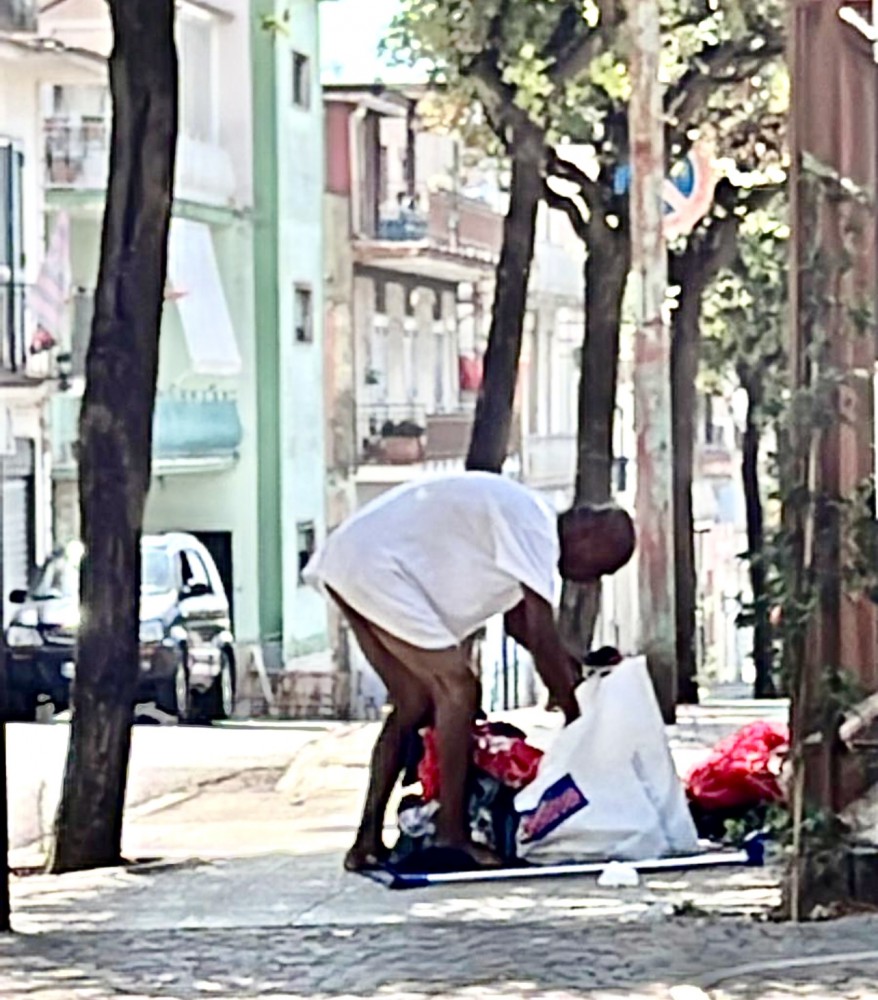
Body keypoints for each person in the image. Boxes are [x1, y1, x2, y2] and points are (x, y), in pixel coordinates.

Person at [304, 472, 635, 871]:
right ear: (587, 533)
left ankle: (366, 841)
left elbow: (521, 628)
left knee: (413, 704)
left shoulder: (526, 530)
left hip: (351, 559)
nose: (591, 579)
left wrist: (580, 672)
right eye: (601, 567)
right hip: (376, 565)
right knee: (458, 690)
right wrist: (578, 718)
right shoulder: (538, 528)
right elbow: (543, 637)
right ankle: (452, 835)